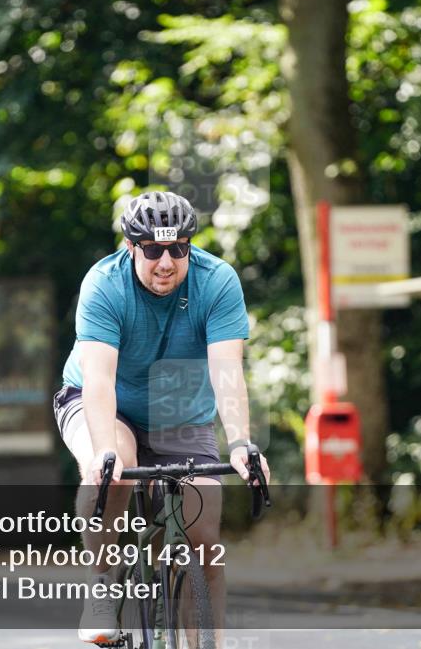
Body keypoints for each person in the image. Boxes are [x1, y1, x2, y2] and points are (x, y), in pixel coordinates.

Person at [52, 191, 271, 644]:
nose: (166, 262)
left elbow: (227, 372)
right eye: (152, 250)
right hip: (106, 404)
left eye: (178, 249)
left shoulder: (218, 282)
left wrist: (241, 444)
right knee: (112, 473)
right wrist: (105, 452)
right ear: (132, 247)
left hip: (181, 412)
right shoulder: (104, 284)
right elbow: (98, 381)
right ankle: (101, 583)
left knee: (206, 545)